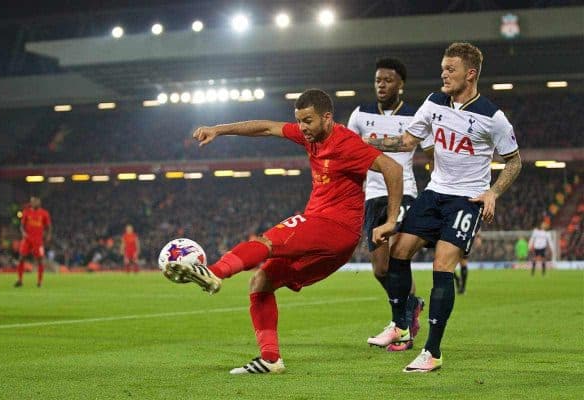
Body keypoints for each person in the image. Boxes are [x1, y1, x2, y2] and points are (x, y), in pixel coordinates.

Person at [165, 89, 403, 374]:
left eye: (308, 121)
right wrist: (219, 129)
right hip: (335, 247)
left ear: (327, 118)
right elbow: (266, 127)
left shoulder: (346, 143)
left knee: (268, 241)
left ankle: (214, 271)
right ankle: (270, 359)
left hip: (333, 226)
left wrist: (391, 221)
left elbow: (392, 168)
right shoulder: (308, 136)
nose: (303, 127)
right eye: (299, 121)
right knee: (262, 281)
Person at [366, 42, 522, 372]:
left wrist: (493, 192)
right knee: (398, 251)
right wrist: (364, 145)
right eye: (442, 68)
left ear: (471, 73)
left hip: (467, 200)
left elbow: (514, 161)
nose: (443, 74)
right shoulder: (435, 102)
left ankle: (433, 352)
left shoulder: (493, 117)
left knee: (441, 266)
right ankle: (400, 325)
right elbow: (407, 141)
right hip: (434, 192)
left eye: (450, 69)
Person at [347, 58, 432, 351]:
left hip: (405, 192)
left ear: (400, 84)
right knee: (381, 270)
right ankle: (412, 305)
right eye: (378, 80)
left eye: (387, 80)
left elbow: (431, 152)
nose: (381, 85)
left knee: (397, 256)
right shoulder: (360, 115)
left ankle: (402, 326)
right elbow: (349, 154)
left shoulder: (416, 116)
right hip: (373, 196)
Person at [15, 196, 52, 287]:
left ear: (39, 202)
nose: (33, 203)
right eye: (32, 201)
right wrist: (23, 233)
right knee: (21, 258)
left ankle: (40, 282)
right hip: (27, 239)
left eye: (35, 201)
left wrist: (48, 236)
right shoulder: (26, 212)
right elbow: (22, 226)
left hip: (38, 240)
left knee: (40, 260)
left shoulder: (44, 213)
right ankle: (19, 280)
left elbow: (49, 226)